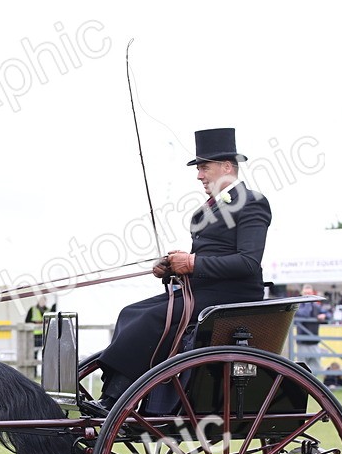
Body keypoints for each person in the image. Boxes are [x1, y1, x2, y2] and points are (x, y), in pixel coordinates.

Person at [92, 128, 272, 412]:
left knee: (150, 319)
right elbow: (207, 255)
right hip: (201, 291)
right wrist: (173, 266)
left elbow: (248, 262)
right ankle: (113, 393)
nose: (199, 176)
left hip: (231, 296)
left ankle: (116, 400)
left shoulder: (252, 202)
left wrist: (192, 263)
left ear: (227, 167)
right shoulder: (207, 209)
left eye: (204, 168)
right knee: (131, 312)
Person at [294, 284, 328, 373]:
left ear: (313, 293)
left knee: (316, 367)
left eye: (309, 294)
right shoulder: (298, 306)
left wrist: (324, 315)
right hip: (302, 342)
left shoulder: (316, 306)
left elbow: (328, 314)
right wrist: (308, 302)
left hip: (314, 342)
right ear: (302, 293)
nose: (308, 296)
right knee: (302, 369)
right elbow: (304, 314)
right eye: (306, 294)